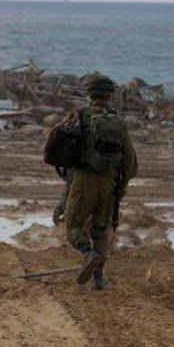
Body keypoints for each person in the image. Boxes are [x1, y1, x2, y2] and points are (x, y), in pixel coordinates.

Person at [57, 72, 137, 291]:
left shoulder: (80, 117)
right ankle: (98, 279)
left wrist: (63, 201)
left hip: (84, 181)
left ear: (89, 94)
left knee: (73, 227)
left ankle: (87, 253)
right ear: (109, 96)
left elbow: (69, 162)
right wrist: (120, 188)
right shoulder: (118, 122)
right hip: (109, 185)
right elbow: (130, 162)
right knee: (100, 230)